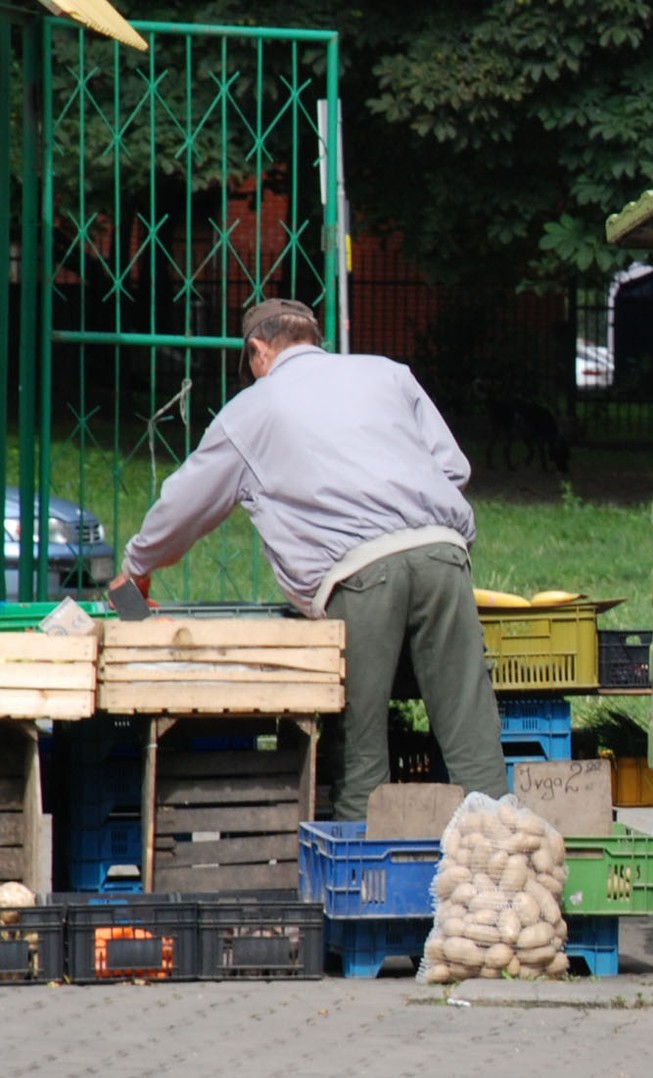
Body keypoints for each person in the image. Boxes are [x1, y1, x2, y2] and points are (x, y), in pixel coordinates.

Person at [111, 297, 508, 820]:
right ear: (312, 337)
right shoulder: (388, 375)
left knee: (361, 743)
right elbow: (451, 469)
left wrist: (137, 565)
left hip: (359, 576)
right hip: (443, 553)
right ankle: (508, 858)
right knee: (470, 728)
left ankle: (365, 880)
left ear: (258, 350)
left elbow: (183, 508)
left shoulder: (253, 409)